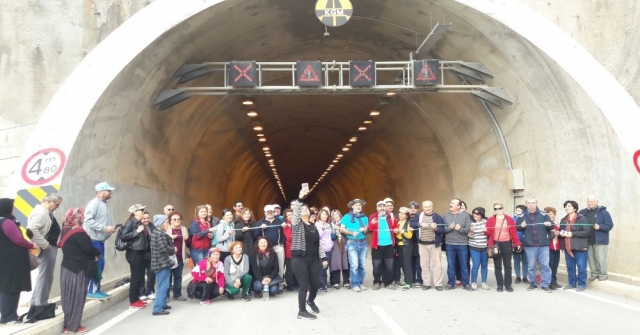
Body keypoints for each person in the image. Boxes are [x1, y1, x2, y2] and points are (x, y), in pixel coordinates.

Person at [58, 207, 100, 333]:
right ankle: (73, 326)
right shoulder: (79, 233)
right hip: (79, 269)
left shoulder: (64, 230)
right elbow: (88, 249)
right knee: (78, 298)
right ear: (77, 218)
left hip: (66, 267)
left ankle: (68, 324)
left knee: (67, 297)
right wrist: (97, 252)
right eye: (80, 216)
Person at [290, 188, 328, 320]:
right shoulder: (297, 224)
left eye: (307, 209)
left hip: (312, 259)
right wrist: (300, 198)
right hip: (299, 259)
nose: (305, 210)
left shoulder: (312, 226)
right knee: (304, 285)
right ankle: (301, 311)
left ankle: (310, 301)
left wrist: (323, 256)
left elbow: (317, 244)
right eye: (302, 209)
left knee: (316, 283)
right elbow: (296, 213)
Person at [0, 198, 38, 326]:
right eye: (12, 206)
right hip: (12, 261)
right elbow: (17, 239)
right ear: (6, 207)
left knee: (7, 288)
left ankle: (10, 315)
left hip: (6, 260)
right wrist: (31, 244)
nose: (14, 208)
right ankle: (8, 318)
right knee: (11, 288)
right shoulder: (7, 222)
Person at [27, 193, 63, 306]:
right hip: (46, 248)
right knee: (46, 275)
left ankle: (36, 302)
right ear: (49, 201)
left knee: (45, 275)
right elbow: (31, 230)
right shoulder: (41, 212)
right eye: (57, 205)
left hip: (49, 246)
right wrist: (45, 245)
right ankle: (41, 303)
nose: (57, 207)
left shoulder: (46, 212)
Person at [83, 182, 116, 300]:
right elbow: (88, 220)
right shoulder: (94, 203)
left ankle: (97, 289)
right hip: (94, 240)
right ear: (101, 192)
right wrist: (104, 228)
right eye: (108, 191)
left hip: (100, 240)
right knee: (96, 265)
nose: (110, 193)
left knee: (100, 266)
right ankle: (91, 290)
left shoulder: (103, 203)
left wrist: (107, 229)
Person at [516, 197, 554, 293]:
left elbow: (552, 226)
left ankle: (545, 285)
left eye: (533, 203)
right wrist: (521, 226)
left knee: (545, 265)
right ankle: (532, 283)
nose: (531, 204)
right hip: (529, 244)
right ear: (526, 204)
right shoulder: (521, 215)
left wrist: (549, 225)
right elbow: (517, 227)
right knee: (531, 265)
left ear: (536, 203)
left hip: (543, 244)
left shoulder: (544, 214)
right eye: (529, 203)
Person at [410, 200, 445, 291]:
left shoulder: (438, 217)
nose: (428, 208)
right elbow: (412, 224)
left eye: (429, 206)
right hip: (422, 244)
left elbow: (442, 230)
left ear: (432, 207)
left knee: (437, 265)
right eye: (426, 207)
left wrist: (436, 228)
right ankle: (427, 283)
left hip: (434, 244)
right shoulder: (419, 216)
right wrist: (420, 224)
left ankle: (438, 284)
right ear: (423, 208)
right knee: (424, 265)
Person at [486, 202, 520, 292]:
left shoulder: (509, 219)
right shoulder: (491, 219)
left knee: (508, 265)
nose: (498, 210)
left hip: (507, 243)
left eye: (499, 208)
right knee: (497, 266)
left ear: (503, 208)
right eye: (496, 209)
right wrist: (485, 231)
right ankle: (500, 285)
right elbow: (488, 233)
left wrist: (517, 243)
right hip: (495, 244)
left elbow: (513, 232)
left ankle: (508, 285)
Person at [120, 204, 150, 309]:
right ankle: (133, 300)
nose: (143, 211)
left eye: (143, 209)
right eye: (140, 210)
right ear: (134, 212)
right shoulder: (131, 223)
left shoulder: (138, 222)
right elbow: (123, 236)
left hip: (140, 252)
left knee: (140, 276)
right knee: (135, 277)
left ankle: (136, 298)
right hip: (134, 253)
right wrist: (137, 232)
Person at [558, 200, 591, 292]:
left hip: (580, 246)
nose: (566, 208)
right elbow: (562, 232)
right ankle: (572, 283)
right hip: (568, 247)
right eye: (565, 206)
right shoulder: (563, 220)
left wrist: (572, 234)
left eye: (569, 206)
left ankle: (581, 284)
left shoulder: (582, 218)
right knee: (570, 266)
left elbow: (587, 232)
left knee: (581, 266)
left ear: (575, 208)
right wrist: (560, 233)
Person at [579, 195, 614, 281]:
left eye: (592, 201)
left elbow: (610, 225)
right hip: (587, 239)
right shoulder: (582, 212)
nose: (590, 203)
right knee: (590, 258)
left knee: (600, 257)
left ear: (596, 202)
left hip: (599, 240)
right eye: (588, 201)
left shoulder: (603, 212)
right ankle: (594, 273)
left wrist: (600, 227)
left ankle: (603, 274)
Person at [253, 205, 285, 292]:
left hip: (278, 246)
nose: (270, 213)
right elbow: (255, 235)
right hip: (265, 248)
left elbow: (284, 233)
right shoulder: (260, 222)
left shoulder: (280, 221)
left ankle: (280, 285)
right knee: (266, 265)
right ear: (264, 212)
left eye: (271, 211)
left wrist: (282, 243)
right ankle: (263, 282)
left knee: (280, 266)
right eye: (268, 211)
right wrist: (260, 229)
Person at [368, 201, 398, 290]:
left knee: (389, 265)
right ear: (377, 208)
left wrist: (396, 229)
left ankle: (388, 282)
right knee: (376, 265)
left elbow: (395, 226)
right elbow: (369, 229)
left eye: (383, 206)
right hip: (377, 245)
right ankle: (377, 281)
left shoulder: (391, 216)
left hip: (389, 244)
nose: (381, 208)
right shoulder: (373, 217)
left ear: (385, 208)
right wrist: (372, 223)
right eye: (379, 206)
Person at [340, 198, 369, 292]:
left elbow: (367, 230)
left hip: (363, 242)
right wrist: (352, 233)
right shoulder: (346, 217)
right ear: (352, 206)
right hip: (352, 243)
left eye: (360, 205)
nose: (358, 207)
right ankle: (355, 284)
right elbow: (341, 229)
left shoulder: (365, 218)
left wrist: (365, 230)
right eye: (356, 205)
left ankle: (360, 283)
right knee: (354, 265)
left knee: (362, 265)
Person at [443, 199, 472, 291]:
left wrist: (461, 229)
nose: (450, 204)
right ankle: (451, 283)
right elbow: (442, 229)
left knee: (464, 265)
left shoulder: (466, 216)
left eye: (452, 203)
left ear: (458, 206)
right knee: (451, 265)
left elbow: (468, 229)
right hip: (449, 244)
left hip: (462, 244)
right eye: (450, 202)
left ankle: (466, 283)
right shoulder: (446, 215)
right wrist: (449, 228)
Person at [150, 220, 175, 316]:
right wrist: (173, 249)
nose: (168, 224)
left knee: (164, 285)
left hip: (159, 263)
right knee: (163, 286)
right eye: (166, 222)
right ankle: (157, 308)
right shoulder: (160, 234)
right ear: (160, 223)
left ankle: (163, 304)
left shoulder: (156, 233)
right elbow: (164, 248)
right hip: (162, 263)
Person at [166, 211, 189, 301]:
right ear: (170, 221)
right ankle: (166, 296)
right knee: (168, 277)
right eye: (174, 219)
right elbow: (162, 240)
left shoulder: (183, 229)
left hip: (179, 257)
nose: (177, 220)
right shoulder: (166, 228)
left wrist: (187, 239)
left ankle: (177, 294)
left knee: (178, 276)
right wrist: (170, 237)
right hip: (168, 257)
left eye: (178, 219)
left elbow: (188, 243)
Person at [468, 207, 489, 291]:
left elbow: (490, 234)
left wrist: (486, 231)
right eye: (474, 213)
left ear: (482, 215)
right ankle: (474, 282)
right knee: (476, 265)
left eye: (477, 214)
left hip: (484, 247)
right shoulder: (470, 223)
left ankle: (484, 282)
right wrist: (471, 232)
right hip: (474, 247)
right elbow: (469, 237)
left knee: (484, 265)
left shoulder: (487, 222)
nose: (475, 215)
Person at [395, 207, 415, 290]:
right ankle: (406, 280)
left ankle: (409, 282)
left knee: (407, 264)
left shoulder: (408, 223)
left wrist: (404, 232)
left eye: (403, 214)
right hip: (399, 244)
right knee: (402, 263)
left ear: (407, 216)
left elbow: (410, 236)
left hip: (407, 245)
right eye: (400, 213)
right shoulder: (398, 222)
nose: (401, 215)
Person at [329, 210, 349, 289]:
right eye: (334, 214)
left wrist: (341, 229)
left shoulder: (344, 223)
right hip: (335, 245)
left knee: (345, 262)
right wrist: (334, 230)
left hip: (344, 244)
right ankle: (336, 282)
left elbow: (347, 233)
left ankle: (346, 281)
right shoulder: (331, 224)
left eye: (337, 214)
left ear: (340, 215)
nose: (336, 216)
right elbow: (332, 237)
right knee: (335, 263)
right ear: (332, 216)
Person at [316, 208, 334, 292]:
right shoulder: (317, 224)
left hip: (329, 248)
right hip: (321, 249)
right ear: (320, 215)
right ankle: (322, 285)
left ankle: (324, 283)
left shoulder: (328, 224)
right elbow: (318, 236)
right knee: (321, 267)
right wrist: (323, 228)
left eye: (326, 215)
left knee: (326, 267)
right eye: (323, 214)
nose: (325, 216)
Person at [545, 206, 563, 289]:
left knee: (555, 266)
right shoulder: (545, 224)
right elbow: (545, 236)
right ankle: (550, 283)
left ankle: (554, 281)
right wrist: (553, 233)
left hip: (557, 247)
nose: (552, 216)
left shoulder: (556, 223)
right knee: (550, 266)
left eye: (553, 214)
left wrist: (560, 233)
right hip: (549, 247)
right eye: (550, 214)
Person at [140, 212, 156, 300]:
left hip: (151, 254)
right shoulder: (138, 227)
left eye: (147, 218)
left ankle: (150, 291)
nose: (146, 220)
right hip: (141, 254)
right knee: (141, 274)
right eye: (144, 218)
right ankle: (142, 292)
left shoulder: (153, 227)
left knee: (151, 273)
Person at [282, 208, 299, 291]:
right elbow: (289, 237)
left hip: (298, 249)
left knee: (297, 268)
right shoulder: (286, 225)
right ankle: (290, 284)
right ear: (286, 217)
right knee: (290, 268)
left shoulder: (297, 224)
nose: (290, 216)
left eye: (291, 214)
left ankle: (296, 283)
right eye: (288, 215)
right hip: (290, 249)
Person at [407, 201, 423, 288]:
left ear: (418, 209)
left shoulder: (421, 217)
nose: (413, 210)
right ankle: (411, 278)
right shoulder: (406, 217)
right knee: (410, 261)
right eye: (411, 208)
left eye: (415, 208)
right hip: (408, 242)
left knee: (418, 261)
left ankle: (419, 279)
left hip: (418, 241)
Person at [512, 204, 529, 284]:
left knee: (525, 261)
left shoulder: (526, 218)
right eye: (517, 210)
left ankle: (525, 277)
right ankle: (518, 277)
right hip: (515, 243)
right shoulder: (512, 219)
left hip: (525, 242)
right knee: (516, 260)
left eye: (520, 210)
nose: (517, 212)